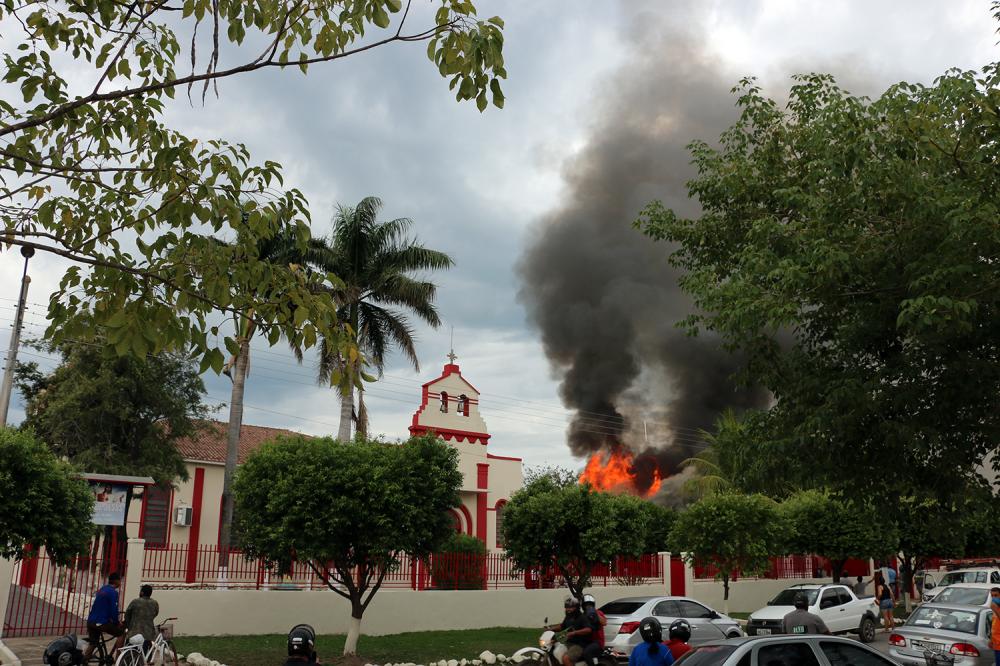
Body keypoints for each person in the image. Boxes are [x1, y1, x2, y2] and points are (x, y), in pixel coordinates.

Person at [83, 572, 124, 663]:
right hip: (101, 622)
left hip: (91, 621)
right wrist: (117, 623)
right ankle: (118, 660)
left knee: (93, 643)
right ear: (116, 581)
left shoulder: (102, 589)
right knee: (121, 634)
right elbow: (113, 610)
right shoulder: (113, 593)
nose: (120, 583)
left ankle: (84, 660)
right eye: (120, 581)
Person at [547, 597, 593, 666]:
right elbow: (562, 626)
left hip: (580, 645)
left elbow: (589, 629)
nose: (568, 609)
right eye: (566, 607)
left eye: (570, 607)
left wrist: (574, 632)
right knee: (555, 652)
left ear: (576, 607)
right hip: (568, 643)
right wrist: (551, 629)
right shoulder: (568, 617)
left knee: (566, 658)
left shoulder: (582, 617)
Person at [123, 585, 159, 651]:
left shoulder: (135, 602)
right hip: (148, 634)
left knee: (129, 651)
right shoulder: (155, 603)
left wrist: (128, 626)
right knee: (146, 653)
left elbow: (127, 615)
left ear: (142, 592)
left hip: (134, 633)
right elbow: (155, 614)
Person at [582, 594, 606, 665]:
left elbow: (604, 622)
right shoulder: (582, 616)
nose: (588, 606)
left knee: (587, 652)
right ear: (583, 606)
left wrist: (595, 613)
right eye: (586, 605)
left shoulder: (598, 612)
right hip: (587, 641)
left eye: (590, 605)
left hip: (598, 642)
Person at [989, 587, 1000, 666]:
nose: (994, 598)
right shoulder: (995, 610)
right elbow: (994, 627)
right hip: (996, 644)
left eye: (996, 595)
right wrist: (991, 640)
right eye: (992, 596)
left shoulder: (996, 609)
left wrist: (995, 609)